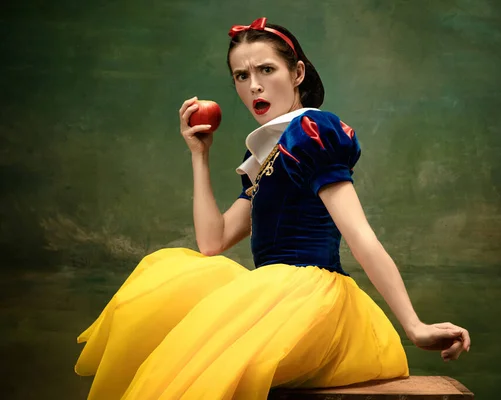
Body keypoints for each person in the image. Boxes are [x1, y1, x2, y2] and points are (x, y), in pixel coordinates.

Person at [74, 17, 470, 400]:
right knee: (173, 301)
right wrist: (199, 155)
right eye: (241, 77)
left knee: (205, 366)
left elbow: (360, 236)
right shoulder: (267, 154)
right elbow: (213, 241)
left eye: (266, 69)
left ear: (297, 73)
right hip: (270, 297)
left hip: (312, 301)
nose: (254, 87)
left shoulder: (312, 131)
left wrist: (414, 326)